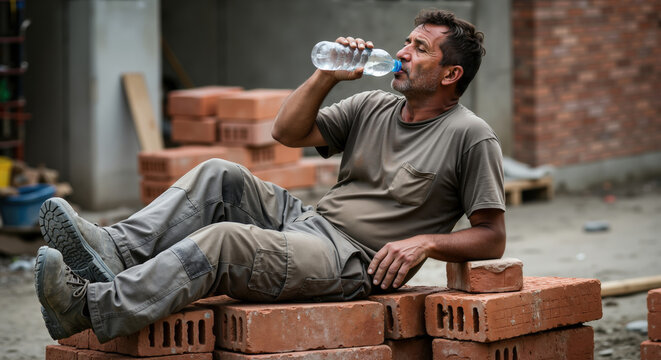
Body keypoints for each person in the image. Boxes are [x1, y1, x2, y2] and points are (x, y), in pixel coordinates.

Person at [34, 9, 506, 343]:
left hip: (349, 261)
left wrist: (425, 242)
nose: (402, 53)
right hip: (309, 224)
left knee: (224, 242)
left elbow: (492, 236)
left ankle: (89, 308)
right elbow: (286, 132)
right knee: (221, 174)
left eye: (419, 48)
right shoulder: (373, 105)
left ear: (450, 74)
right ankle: (114, 250)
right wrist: (327, 74)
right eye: (406, 42)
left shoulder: (470, 135)